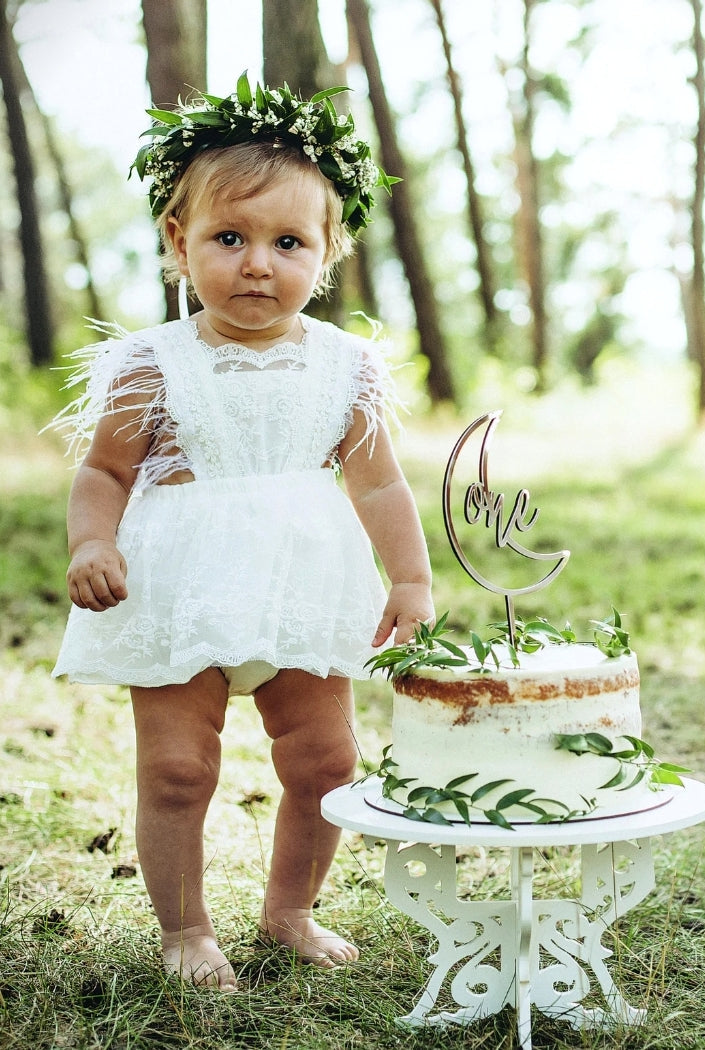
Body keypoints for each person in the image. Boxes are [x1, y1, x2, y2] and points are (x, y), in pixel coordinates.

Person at [50, 76, 434, 992]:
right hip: (179, 587)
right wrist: (92, 542)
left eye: (287, 242)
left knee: (326, 760)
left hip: (304, 583)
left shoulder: (346, 367)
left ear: (328, 252)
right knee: (179, 770)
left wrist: (411, 580)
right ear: (180, 244)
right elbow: (103, 472)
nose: (257, 263)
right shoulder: (153, 364)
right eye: (230, 238)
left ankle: (291, 907)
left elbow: (378, 481)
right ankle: (186, 931)